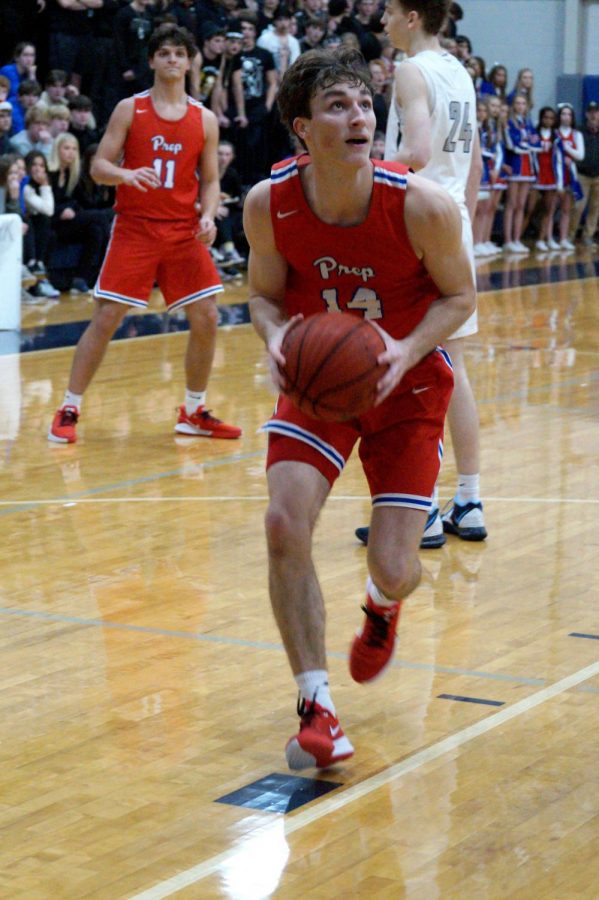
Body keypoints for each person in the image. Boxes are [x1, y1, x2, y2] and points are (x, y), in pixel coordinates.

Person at [243, 47, 475, 769]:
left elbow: (461, 297)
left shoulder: (421, 205)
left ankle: (382, 603)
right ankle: (316, 707)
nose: (358, 117)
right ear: (301, 128)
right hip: (321, 386)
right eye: (337, 106)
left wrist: (404, 349)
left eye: (362, 104)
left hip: (404, 387)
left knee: (400, 565)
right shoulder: (269, 203)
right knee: (284, 522)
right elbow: (260, 294)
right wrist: (279, 338)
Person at [48, 23, 242, 444]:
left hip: (183, 231)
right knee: (107, 317)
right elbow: (99, 166)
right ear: (152, 60)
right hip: (135, 228)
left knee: (207, 315)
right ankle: (69, 406)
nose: (173, 60)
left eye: (180, 53)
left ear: (191, 61)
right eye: (165, 53)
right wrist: (126, 173)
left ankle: (194, 410)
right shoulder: (129, 109)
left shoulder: (204, 118)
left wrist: (208, 216)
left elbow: (210, 180)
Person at [363, 0, 484, 550]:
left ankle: (423, 511)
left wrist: (358, 173)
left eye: (388, 10)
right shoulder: (460, 69)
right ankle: (470, 499)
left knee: (415, 370)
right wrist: (464, 229)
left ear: (412, 17)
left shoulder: (411, 70)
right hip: (453, 219)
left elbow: (414, 151)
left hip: (416, 221)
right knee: (452, 367)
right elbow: (475, 162)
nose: (381, 20)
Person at [503, 93, 540, 253]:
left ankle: (517, 239)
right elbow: (512, 145)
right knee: (511, 204)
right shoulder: (509, 123)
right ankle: (507, 240)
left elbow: (536, 143)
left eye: (523, 103)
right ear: (513, 105)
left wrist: (527, 144)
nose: (520, 106)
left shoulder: (528, 123)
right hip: (515, 164)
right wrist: (527, 144)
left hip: (528, 166)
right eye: (517, 103)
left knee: (521, 205)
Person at [553, 102, 584, 251]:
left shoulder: (577, 134)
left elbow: (580, 155)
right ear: (559, 116)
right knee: (551, 208)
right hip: (554, 175)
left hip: (570, 175)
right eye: (563, 114)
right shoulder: (554, 133)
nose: (566, 117)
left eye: (569, 114)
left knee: (566, 209)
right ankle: (546, 238)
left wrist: (567, 148)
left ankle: (563, 238)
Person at [568, 100, 599, 248]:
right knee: (578, 206)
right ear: (587, 114)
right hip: (582, 175)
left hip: (598, 175)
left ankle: (588, 236)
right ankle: (569, 235)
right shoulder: (579, 131)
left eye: (596, 112)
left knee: (595, 207)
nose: (594, 115)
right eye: (591, 112)